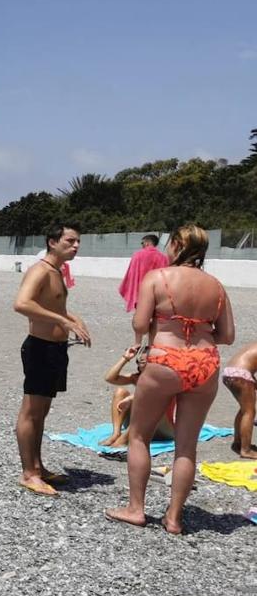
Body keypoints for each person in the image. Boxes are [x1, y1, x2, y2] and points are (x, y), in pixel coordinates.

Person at [106, 225, 235, 534]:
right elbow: (227, 336)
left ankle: (136, 509)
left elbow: (139, 322)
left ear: (177, 245)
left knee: (139, 436)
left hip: (165, 358)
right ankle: (174, 517)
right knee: (186, 446)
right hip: (204, 363)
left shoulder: (158, 278)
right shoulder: (216, 286)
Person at [13, 223, 91, 497]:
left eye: (78, 241)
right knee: (30, 411)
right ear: (52, 242)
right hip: (40, 348)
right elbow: (22, 303)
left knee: (42, 412)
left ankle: (38, 466)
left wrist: (72, 319)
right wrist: (61, 320)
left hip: (56, 349)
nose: (76, 246)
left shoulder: (57, 272)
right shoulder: (41, 271)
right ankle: (28, 473)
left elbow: (54, 306)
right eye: (70, 241)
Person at [102, 345, 174, 448]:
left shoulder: (164, 378)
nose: (141, 358)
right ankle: (116, 434)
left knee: (150, 402)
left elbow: (153, 393)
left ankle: (123, 440)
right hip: (140, 426)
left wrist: (131, 398)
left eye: (146, 357)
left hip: (163, 430)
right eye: (140, 357)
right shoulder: (136, 377)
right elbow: (109, 378)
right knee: (120, 392)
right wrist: (125, 358)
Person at [222, 342, 257, 459]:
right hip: (241, 374)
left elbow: (250, 363)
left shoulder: (253, 345)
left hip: (229, 372)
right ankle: (245, 450)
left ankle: (238, 442)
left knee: (244, 410)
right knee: (249, 412)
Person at [118, 234, 167, 312]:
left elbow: (131, 274)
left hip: (140, 293)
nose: (142, 245)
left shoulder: (137, 255)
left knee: (141, 316)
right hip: (156, 294)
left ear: (147, 243)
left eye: (142, 243)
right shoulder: (163, 258)